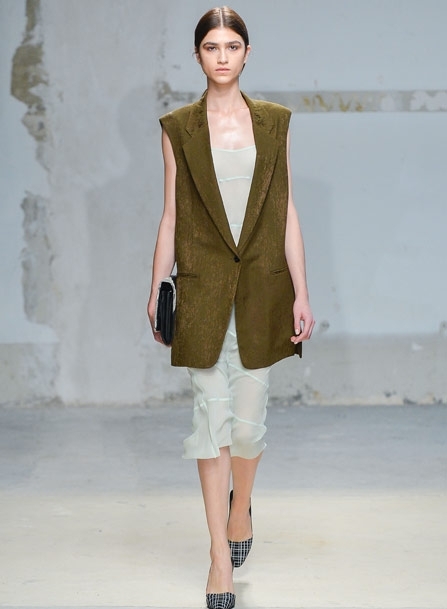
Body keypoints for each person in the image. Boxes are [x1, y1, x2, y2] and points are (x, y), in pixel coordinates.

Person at [147, 6, 315, 609]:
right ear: (198, 55)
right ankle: (219, 558)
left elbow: (286, 209)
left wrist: (302, 290)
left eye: (232, 46)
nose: (222, 56)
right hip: (202, 291)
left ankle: (240, 507)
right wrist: (156, 285)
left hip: (264, 290)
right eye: (211, 47)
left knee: (247, 427)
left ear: (247, 53)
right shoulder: (178, 128)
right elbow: (171, 214)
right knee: (209, 422)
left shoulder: (275, 122)